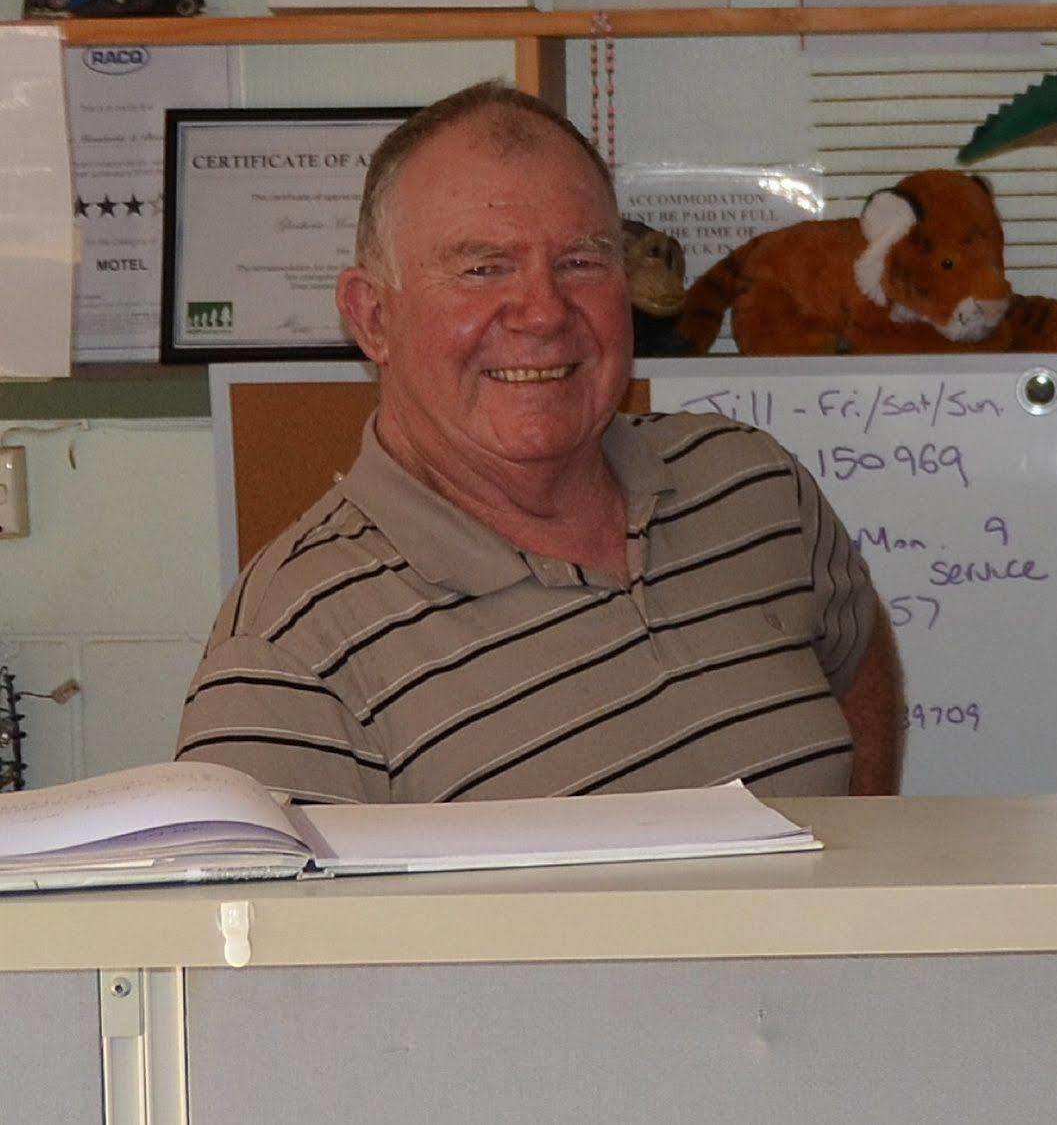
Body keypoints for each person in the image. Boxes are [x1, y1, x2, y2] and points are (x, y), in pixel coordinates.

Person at [177, 82, 906, 804]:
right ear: (371, 318)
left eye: (581, 262)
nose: (543, 312)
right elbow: (260, 923)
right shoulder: (286, 655)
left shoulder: (751, 486)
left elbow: (857, 652)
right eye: (482, 267)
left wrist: (856, 867)